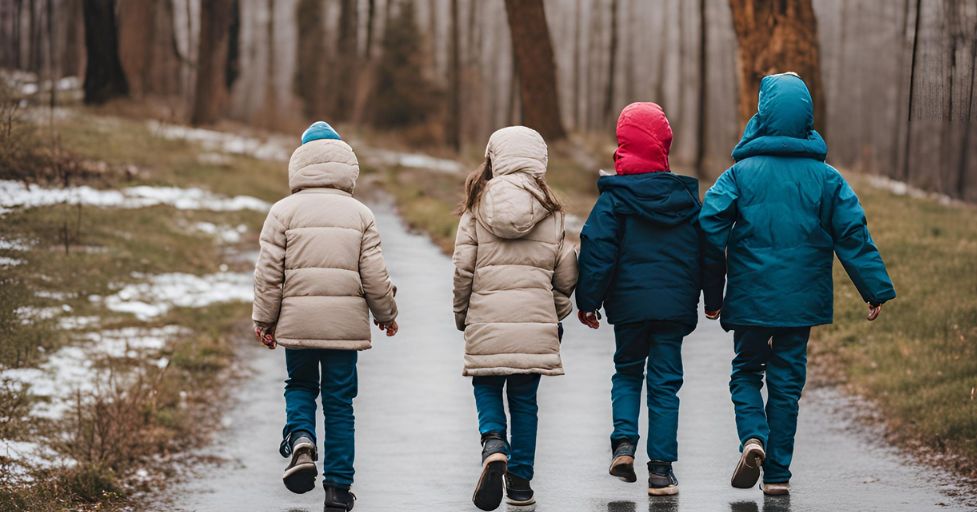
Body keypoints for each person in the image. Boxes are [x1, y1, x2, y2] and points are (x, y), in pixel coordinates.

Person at [699, 73, 896, 496]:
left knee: (746, 371)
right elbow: (852, 234)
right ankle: (777, 476)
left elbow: (709, 227)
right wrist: (874, 288)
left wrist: (712, 295)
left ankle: (753, 437)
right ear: (806, 118)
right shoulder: (826, 179)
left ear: (763, 116)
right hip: (800, 304)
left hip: (751, 300)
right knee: (787, 385)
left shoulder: (739, 176)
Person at [252, 121, 399, 512]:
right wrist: (386, 315)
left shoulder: (282, 212)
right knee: (339, 403)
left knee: (300, 384)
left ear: (299, 163)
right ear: (346, 165)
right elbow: (375, 276)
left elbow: (268, 274)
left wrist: (264, 321)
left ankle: (301, 439)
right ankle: (338, 489)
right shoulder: (360, 214)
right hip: (343, 327)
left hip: (297, 323)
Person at [575, 102, 720, 497]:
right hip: (674, 308)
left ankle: (624, 443)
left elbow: (597, 251)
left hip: (630, 307)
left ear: (623, 145)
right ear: (663, 146)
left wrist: (588, 301)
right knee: (665, 384)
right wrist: (712, 297)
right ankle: (660, 471)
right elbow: (708, 251)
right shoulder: (687, 200)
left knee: (627, 372)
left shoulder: (614, 201)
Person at [452, 126, 578, 510]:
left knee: (486, 385)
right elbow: (566, 273)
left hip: (486, 318)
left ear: (494, 159)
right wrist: (553, 311)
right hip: (535, 322)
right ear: (539, 162)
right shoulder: (552, 211)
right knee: (525, 402)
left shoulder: (476, 207)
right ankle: (520, 484)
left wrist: (463, 314)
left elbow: (463, 270)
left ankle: (493, 442)